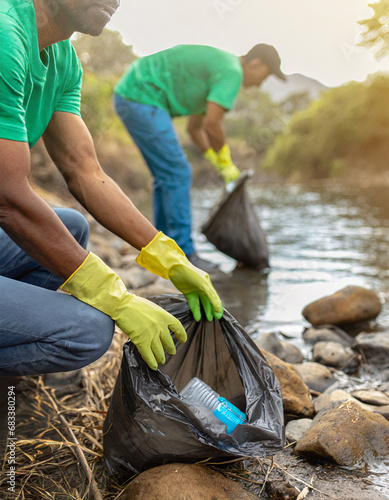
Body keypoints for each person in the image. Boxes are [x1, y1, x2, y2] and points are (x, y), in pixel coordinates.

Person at [0, 0, 223, 377]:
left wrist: (169, 256)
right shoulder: (6, 36)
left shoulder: (63, 58)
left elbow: (85, 171)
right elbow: (8, 198)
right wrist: (116, 298)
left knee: (72, 225)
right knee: (86, 332)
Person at [114, 43, 286, 272]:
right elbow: (213, 125)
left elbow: (195, 129)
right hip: (142, 96)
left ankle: (160, 248)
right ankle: (184, 255)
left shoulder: (219, 70)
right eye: (263, 77)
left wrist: (215, 160)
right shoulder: (232, 71)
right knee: (178, 173)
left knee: (166, 176)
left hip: (132, 94)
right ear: (255, 64)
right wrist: (225, 161)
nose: (259, 84)